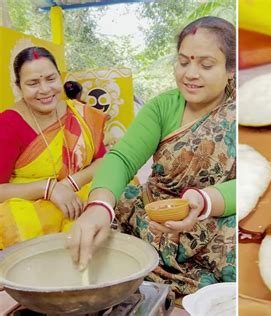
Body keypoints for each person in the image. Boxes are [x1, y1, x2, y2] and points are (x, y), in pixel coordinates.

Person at [67, 16, 236, 295]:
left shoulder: (241, 110)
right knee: (94, 232)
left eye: (205, 65)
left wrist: (203, 201)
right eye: (183, 62)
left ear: (231, 69)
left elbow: (251, 182)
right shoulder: (163, 106)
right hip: (152, 218)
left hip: (214, 220)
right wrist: (98, 206)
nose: (190, 74)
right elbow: (122, 158)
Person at [0, 47, 107, 249]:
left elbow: (103, 160)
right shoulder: (7, 124)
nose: (45, 90)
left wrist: (70, 184)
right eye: (33, 83)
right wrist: (49, 188)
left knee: (118, 189)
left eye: (51, 79)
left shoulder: (80, 113)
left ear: (60, 77)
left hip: (79, 194)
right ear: (18, 87)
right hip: (32, 206)